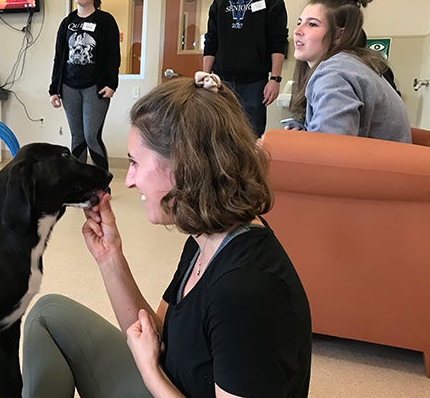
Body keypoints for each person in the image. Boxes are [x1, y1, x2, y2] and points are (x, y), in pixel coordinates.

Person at [22, 73, 312, 398]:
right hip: (167, 383)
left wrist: (150, 373)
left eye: (134, 163)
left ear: (185, 167)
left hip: (163, 388)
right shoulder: (207, 238)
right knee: (48, 314)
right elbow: (153, 332)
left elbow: (153, 358)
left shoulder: (247, 290)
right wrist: (110, 255)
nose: (128, 180)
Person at [290, 0, 411, 142]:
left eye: (312, 24)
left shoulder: (334, 75)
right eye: (299, 22)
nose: (297, 31)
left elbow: (329, 152)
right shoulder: (353, 65)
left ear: (339, 35)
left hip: (374, 166)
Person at [203, 0, 288, 137]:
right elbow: (211, 41)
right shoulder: (221, 1)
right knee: (219, 133)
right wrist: (205, 76)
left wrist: (275, 79)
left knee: (251, 136)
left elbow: (278, 40)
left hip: (254, 82)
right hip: (221, 80)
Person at [48, 0, 120, 171]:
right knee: (77, 137)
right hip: (68, 86)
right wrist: (54, 89)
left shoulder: (105, 21)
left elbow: (114, 55)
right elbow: (59, 57)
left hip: (95, 87)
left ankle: (101, 183)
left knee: (91, 136)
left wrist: (112, 84)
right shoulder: (67, 22)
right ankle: (79, 183)